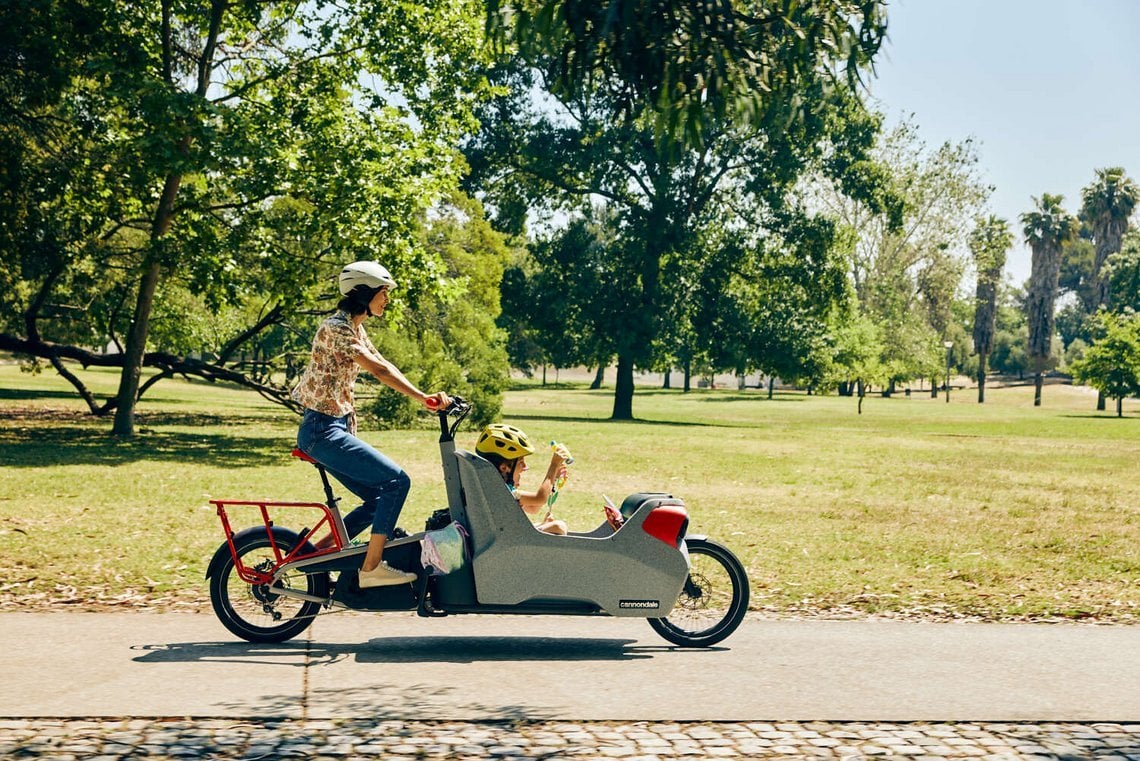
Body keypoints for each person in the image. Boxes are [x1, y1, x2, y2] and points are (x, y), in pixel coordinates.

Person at [292, 260, 450, 588]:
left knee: (378, 499)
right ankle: (371, 568)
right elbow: (378, 372)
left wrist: (427, 396)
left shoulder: (355, 328)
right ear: (363, 293)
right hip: (322, 430)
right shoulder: (335, 328)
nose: (387, 299)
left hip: (330, 430)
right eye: (383, 293)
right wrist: (422, 398)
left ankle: (315, 556)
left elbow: (383, 363)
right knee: (397, 482)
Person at [475, 423, 569, 535]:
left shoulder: (489, 486)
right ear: (504, 468)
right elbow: (540, 499)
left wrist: (554, 476)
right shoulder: (503, 492)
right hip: (506, 541)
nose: (525, 467)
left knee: (550, 525)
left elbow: (534, 508)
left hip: (501, 536)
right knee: (559, 526)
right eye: (520, 462)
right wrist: (553, 465)